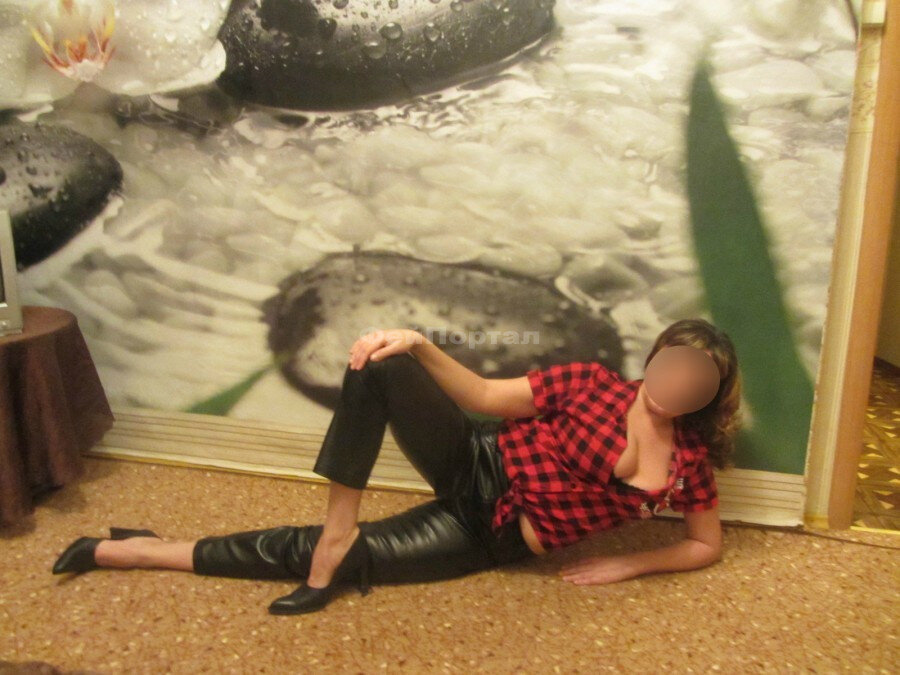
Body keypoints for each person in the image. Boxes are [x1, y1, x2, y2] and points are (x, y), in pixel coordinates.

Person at [52, 317, 742, 615]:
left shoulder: (690, 463)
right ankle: (338, 528)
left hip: (491, 535)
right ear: (655, 358)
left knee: (341, 563)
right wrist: (417, 342)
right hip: (477, 459)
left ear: (709, 394)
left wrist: (628, 563)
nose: (676, 382)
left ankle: (141, 550)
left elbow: (703, 544)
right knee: (381, 361)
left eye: (696, 379)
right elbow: (482, 397)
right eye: (671, 364)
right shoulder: (591, 383)